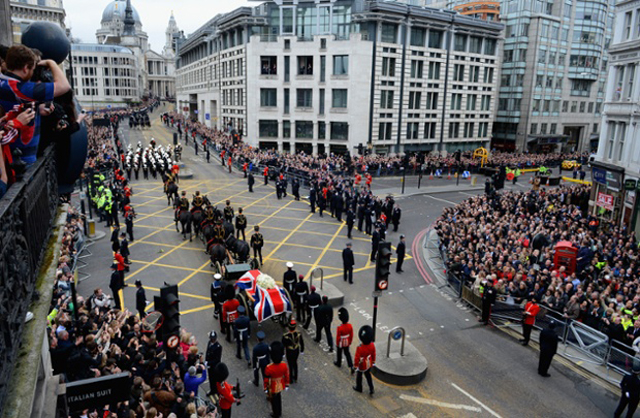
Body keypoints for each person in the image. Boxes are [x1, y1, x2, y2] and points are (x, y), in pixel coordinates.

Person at [0, 45, 71, 165]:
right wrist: (51, 63)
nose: (33, 73)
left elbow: (16, 105)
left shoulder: (4, 83)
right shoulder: (21, 89)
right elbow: (64, 86)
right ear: (25, 68)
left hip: (10, 154)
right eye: (32, 69)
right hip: (22, 157)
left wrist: (37, 107)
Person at [264, 341, 290, 418]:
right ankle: (279, 411)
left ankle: (276, 413)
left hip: (272, 386)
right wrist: (287, 384)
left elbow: (266, 379)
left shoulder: (269, 367)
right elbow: (286, 375)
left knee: (274, 401)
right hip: (281, 384)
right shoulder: (283, 365)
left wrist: (265, 388)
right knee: (278, 397)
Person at [354, 325, 376, 395]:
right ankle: (371, 388)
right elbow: (373, 354)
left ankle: (359, 387)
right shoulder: (372, 345)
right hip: (369, 363)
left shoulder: (360, 348)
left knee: (359, 376)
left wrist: (355, 365)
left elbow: (357, 358)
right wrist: (373, 362)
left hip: (362, 364)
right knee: (368, 376)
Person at [282, 319, 304, 383]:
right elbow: (301, 342)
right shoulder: (298, 333)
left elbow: (283, 345)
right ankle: (296, 377)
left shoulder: (285, 335)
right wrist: (302, 350)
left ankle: (291, 379)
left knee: (290, 364)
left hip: (289, 351)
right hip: (296, 350)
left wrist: (283, 353)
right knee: (295, 363)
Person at [205, 331, 223, 396]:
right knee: (211, 378)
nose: (212, 340)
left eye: (213, 339)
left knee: (216, 380)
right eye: (211, 338)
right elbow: (208, 352)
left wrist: (208, 362)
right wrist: (206, 361)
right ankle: (212, 390)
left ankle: (218, 392)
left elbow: (217, 360)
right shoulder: (209, 343)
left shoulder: (218, 347)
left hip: (215, 366)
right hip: (210, 366)